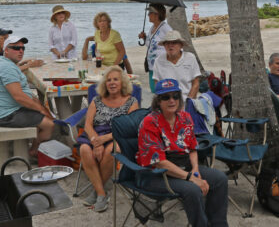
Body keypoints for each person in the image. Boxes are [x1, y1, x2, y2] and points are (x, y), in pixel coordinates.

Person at [137, 79, 228, 227]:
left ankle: (218, 224)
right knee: (192, 190)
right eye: (166, 97)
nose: (171, 100)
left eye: (175, 96)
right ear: (158, 101)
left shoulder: (185, 117)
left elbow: (192, 147)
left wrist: (196, 170)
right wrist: (191, 178)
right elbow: (158, 161)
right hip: (157, 174)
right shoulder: (149, 122)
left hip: (183, 166)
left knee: (220, 179)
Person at [77, 66, 138, 212]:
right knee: (85, 149)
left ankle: (97, 191)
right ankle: (102, 193)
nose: (112, 83)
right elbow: (88, 124)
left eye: (115, 79)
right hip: (95, 135)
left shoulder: (131, 101)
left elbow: (130, 127)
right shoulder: (97, 100)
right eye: (108, 80)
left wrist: (104, 139)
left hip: (118, 135)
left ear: (122, 82)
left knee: (113, 149)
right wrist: (95, 141)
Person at [0, 35, 56, 158]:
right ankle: (34, 151)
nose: (20, 51)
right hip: (5, 115)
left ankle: (38, 144)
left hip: (8, 109)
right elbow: (19, 97)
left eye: (22, 48)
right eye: (15, 48)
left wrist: (40, 107)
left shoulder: (8, 64)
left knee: (46, 114)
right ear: (6, 50)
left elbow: (24, 95)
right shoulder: (7, 68)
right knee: (49, 124)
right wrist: (40, 109)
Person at [0, 28, 43, 100]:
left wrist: (24, 62)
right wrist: (29, 65)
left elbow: (10, 66)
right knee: (27, 91)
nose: (6, 41)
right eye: (4, 38)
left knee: (32, 86)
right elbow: (10, 70)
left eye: (7, 38)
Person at [152, 30, 201, 105]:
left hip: (186, 101)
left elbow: (196, 83)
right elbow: (157, 85)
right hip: (167, 103)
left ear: (181, 45)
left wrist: (189, 102)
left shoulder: (190, 58)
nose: (170, 45)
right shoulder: (158, 61)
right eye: (167, 43)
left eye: (174, 42)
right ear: (164, 46)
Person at [139, 4, 172, 91]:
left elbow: (174, 44)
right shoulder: (152, 28)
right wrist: (144, 37)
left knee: (161, 91)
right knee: (154, 90)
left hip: (162, 67)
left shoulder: (165, 28)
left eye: (150, 12)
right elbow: (150, 45)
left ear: (157, 14)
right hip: (151, 66)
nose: (148, 15)